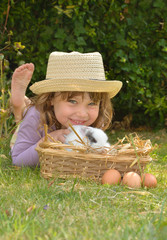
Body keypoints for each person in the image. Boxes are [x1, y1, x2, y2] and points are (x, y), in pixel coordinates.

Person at [10, 51, 122, 167]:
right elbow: (18, 161)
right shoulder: (36, 117)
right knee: (26, 115)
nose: (82, 114)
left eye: (92, 103)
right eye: (72, 101)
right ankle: (19, 105)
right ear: (51, 98)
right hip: (32, 131)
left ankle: (22, 105)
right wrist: (48, 141)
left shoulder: (95, 120)